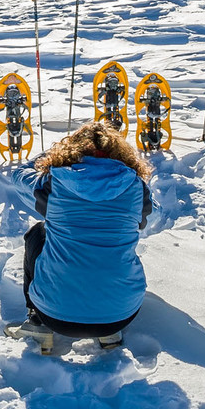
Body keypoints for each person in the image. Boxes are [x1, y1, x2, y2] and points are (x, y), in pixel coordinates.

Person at [20, 119, 151, 343]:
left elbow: (19, 178)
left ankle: (36, 321)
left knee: (37, 233)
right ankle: (108, 334)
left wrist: (43, 159)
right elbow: (148, 218)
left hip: (54, 315)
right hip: (121, 315)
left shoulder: (55, 182)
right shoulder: (136, 187)